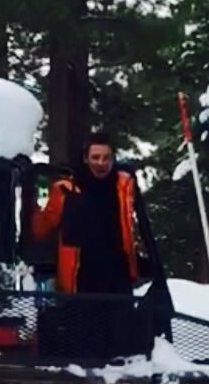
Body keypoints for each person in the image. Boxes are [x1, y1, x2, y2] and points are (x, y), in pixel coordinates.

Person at [32, 131, 140, 357]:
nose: (101, 163)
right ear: (85, 158)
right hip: (80, 276)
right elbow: (42, 229)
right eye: (95, 157)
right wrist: (32, 208)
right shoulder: (65, 191)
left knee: (120, 341)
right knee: (84, 341)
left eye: (106, 158)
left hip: (117, 273)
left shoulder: (124, 186)